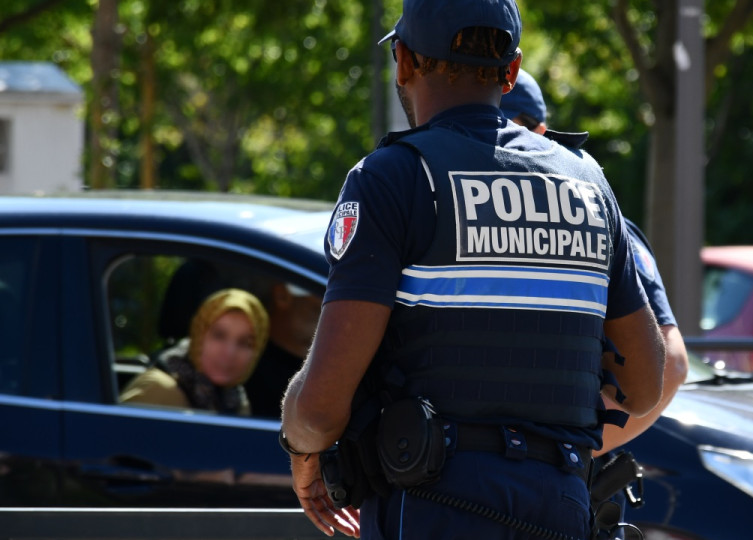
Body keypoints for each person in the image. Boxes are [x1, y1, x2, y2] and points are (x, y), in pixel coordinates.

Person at [279, 1, 666, 538]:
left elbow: (321, 407)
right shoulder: (587, 182)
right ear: (511, 72)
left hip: (432, 505)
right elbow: (645, 385)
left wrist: (303, 450)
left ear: (405, 62)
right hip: (561, 505)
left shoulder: (392, 177)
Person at [500, 70, 690, 452]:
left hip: (566, 479)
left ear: (539, 132)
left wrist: (571, 448)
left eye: (505, 126)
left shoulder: (595, 217)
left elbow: (671, 363)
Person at [120, 288, 269, 416]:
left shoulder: (236, 401)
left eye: (244, 343)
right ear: (199, 336)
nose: (230, 352)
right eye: (219, 335)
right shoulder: (159, 390)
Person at [245, 282, 323, 418]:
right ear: (281, 296)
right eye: (322, 291)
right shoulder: (246, 370)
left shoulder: (330, 369)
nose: (333, 304)